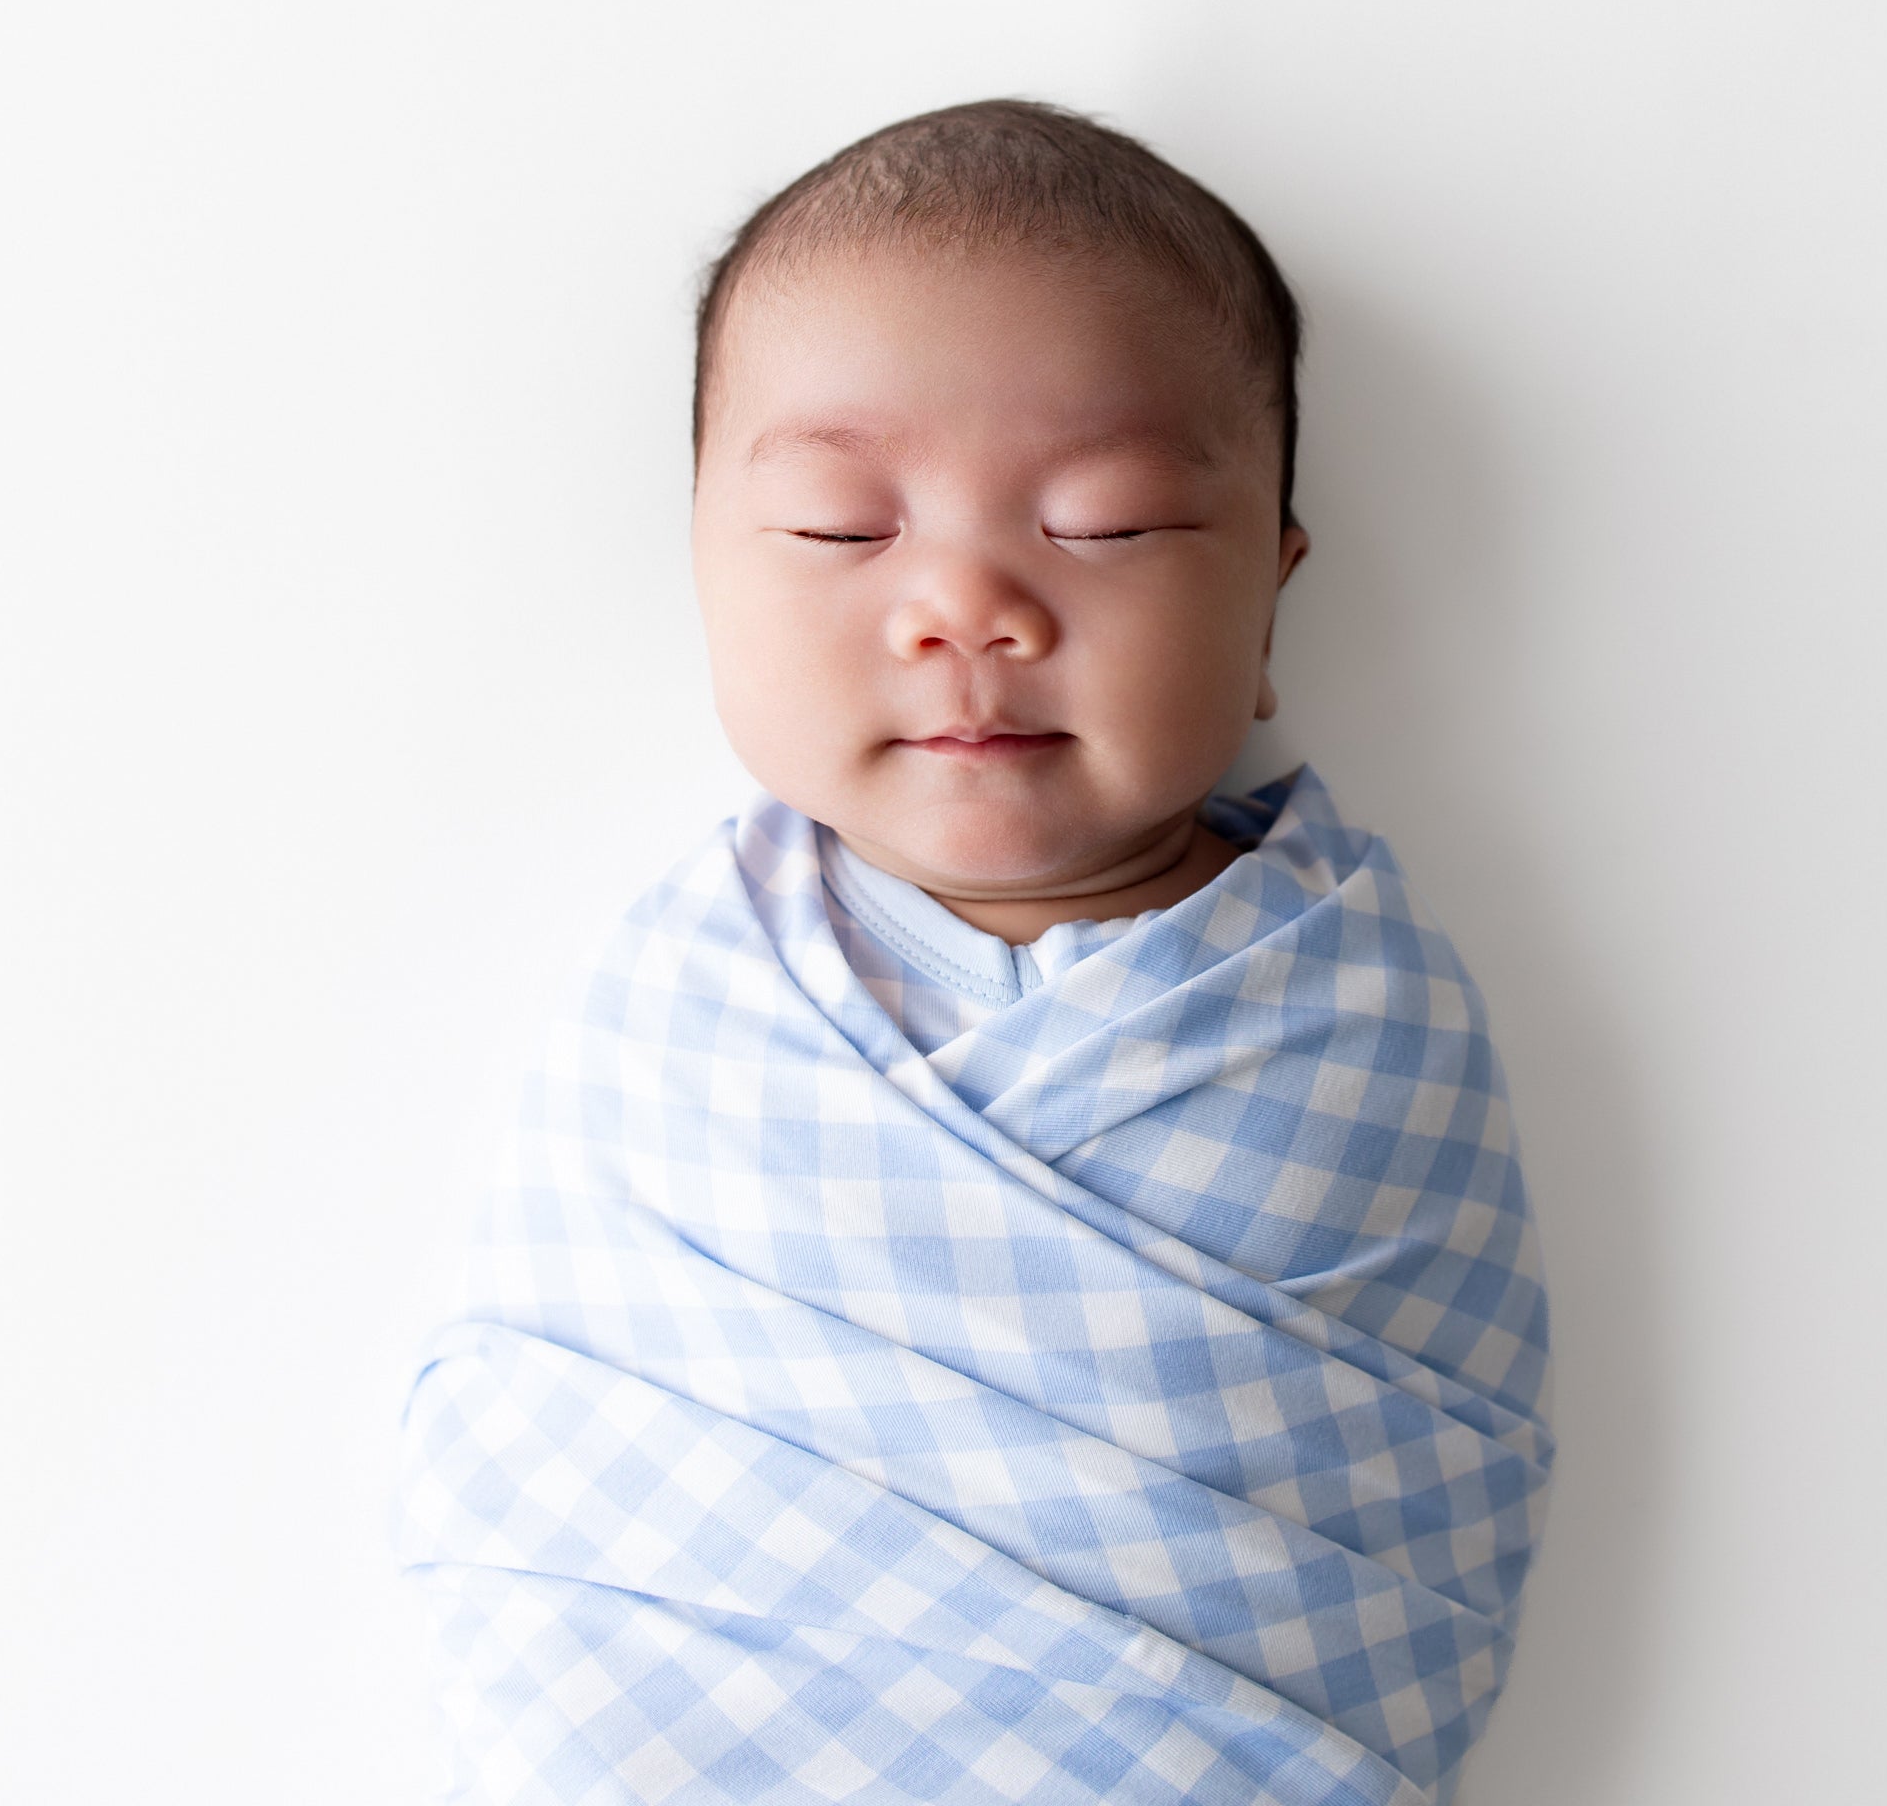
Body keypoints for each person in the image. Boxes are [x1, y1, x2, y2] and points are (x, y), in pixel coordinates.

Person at [396, 101, 1554, 1806]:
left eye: (1110, 524)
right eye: (838, 532)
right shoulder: (680, 1008)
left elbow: (1386, 1511)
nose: (967, 606)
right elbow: (556, 1435)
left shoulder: (1351, 1013)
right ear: (711, 577)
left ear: (1268, 610)